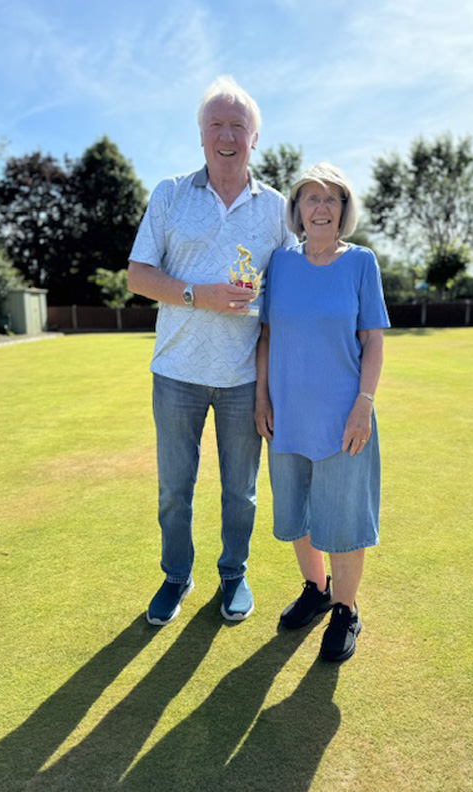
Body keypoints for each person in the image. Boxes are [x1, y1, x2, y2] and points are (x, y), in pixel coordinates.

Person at [128, 76, 295, 626]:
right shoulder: (170, 193)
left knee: (240, 493)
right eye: (216, 125)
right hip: (175, 372)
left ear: (254, 138)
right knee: (175, 489)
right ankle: (176, 575)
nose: (227, 135)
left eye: (238, 126)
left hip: (243, 377)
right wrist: (202, 294)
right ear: (201, 136)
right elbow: (137, 276)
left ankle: (233, 573)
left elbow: (295, 284)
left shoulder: (276, 208)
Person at [255, 163, 390, 662]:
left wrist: (364, 405)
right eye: (311, 198)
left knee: (343, 518)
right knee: (297, 513)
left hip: (343, 420)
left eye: (332, 198)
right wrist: (260, 398)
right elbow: (266, 335)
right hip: (287, 415)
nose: (321, 207)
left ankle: (345, 610)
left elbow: (372, 339)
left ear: (343, 210)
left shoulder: (361, 264)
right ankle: (316, 590)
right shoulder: (280, 264)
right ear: (297, 210)